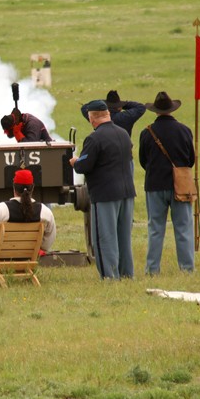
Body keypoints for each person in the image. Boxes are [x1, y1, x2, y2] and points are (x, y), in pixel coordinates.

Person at [70, 100, 136, 279]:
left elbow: (84, 165)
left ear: (92, 118)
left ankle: (109, 275)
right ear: (107, 115)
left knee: (104, 237)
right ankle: (127, 274)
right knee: (123, 237)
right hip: (127, 192)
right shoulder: (123, 133)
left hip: (106, 194)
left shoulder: (94, 138)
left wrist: (76, 162)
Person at [138, 91, 195, 274]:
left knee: (155, 229)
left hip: (154, 185)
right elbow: (190, 159)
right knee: (183, 228)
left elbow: (142, 160)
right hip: (181, 186)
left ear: (155, 111)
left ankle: (152, 269)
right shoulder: (184, 130)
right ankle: (186, 269)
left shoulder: (146, 132)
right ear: (172, 109)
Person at [0, 169, 56, 276]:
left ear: (14, 187)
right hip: (28, 254)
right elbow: (47, 243)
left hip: (0, 254)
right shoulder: (45, 212)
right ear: (33, 188)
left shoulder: (2, 209)